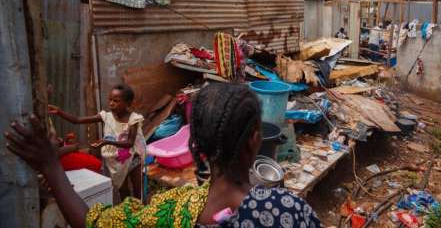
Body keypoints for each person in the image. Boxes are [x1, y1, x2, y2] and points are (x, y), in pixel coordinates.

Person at [5, 83, 323, 228]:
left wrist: (50, 167)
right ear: (255, 141)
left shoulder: (171, 211)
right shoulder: (286, 209)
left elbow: (94, 220)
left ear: (194, 143)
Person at [47, 84, 145, 201]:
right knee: (122, 189)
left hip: (133, 158)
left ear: (128, 103)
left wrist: (106, 142)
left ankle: (141, 212)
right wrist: (60, 112)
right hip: (116, 161)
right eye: (110, 100)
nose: (111, 103)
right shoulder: (106, 116)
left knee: (137, 189)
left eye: (116, 101)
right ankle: (129, 214)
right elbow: (77, 120)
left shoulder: (133, 119)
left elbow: (129, 143)